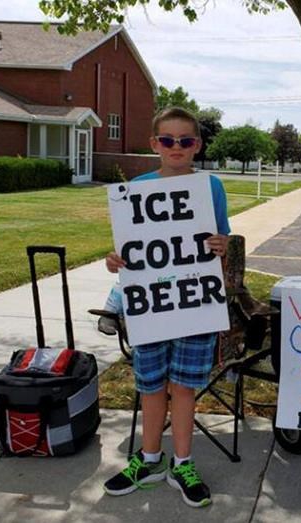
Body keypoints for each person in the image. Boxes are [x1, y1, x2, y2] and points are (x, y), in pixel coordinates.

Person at [102, 106, 230, 508]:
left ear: (198, 145)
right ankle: (151, 459)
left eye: (186, 141)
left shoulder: (211, 187)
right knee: (152, 386)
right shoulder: (136, 188)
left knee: (184, 387)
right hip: (152, 307)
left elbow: (220, 241)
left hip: (193, 305)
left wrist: (223, 246)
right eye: (168, 140)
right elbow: (128, 250)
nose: (177, 147)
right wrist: (114, 260)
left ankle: (183, 463)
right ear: (155, 143)